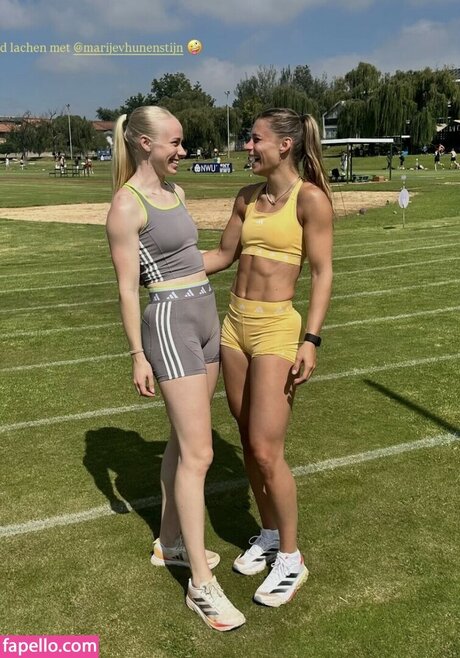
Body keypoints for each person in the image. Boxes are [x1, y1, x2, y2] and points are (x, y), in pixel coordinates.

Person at [106, 106, 245, 632]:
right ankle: (201, 586)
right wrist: (137, 354)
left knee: (183, 443)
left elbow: (192, 259)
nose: (183, 151)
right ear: (145, 143)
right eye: (175, 143)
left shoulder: (176, 193)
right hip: (169, 323)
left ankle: (170, 543)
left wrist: (238, 243)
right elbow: (127, 288)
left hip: (205, 314)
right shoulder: (126, 204)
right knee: (200, 452)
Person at [203, 108, 333, 607]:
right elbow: (222, 256)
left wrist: (311, 339)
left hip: (277, 327)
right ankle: (271, 533)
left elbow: (322, 272)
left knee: (264, 449)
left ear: (284, 145)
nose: (247, 147)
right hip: (234, 326)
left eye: (255, 139)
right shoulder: (246, 197)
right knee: (245, 434)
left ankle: (292, 559)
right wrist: (162, 267)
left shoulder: (310, 199)